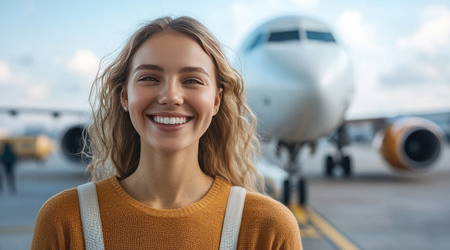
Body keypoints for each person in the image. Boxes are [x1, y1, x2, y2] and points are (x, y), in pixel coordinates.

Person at [31, 16, 302, 249]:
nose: (171, 96)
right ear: (124, 96)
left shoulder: (268, 227)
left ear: (216, 101)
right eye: (149, 78)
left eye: (192, 81)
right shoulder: (65, 220)